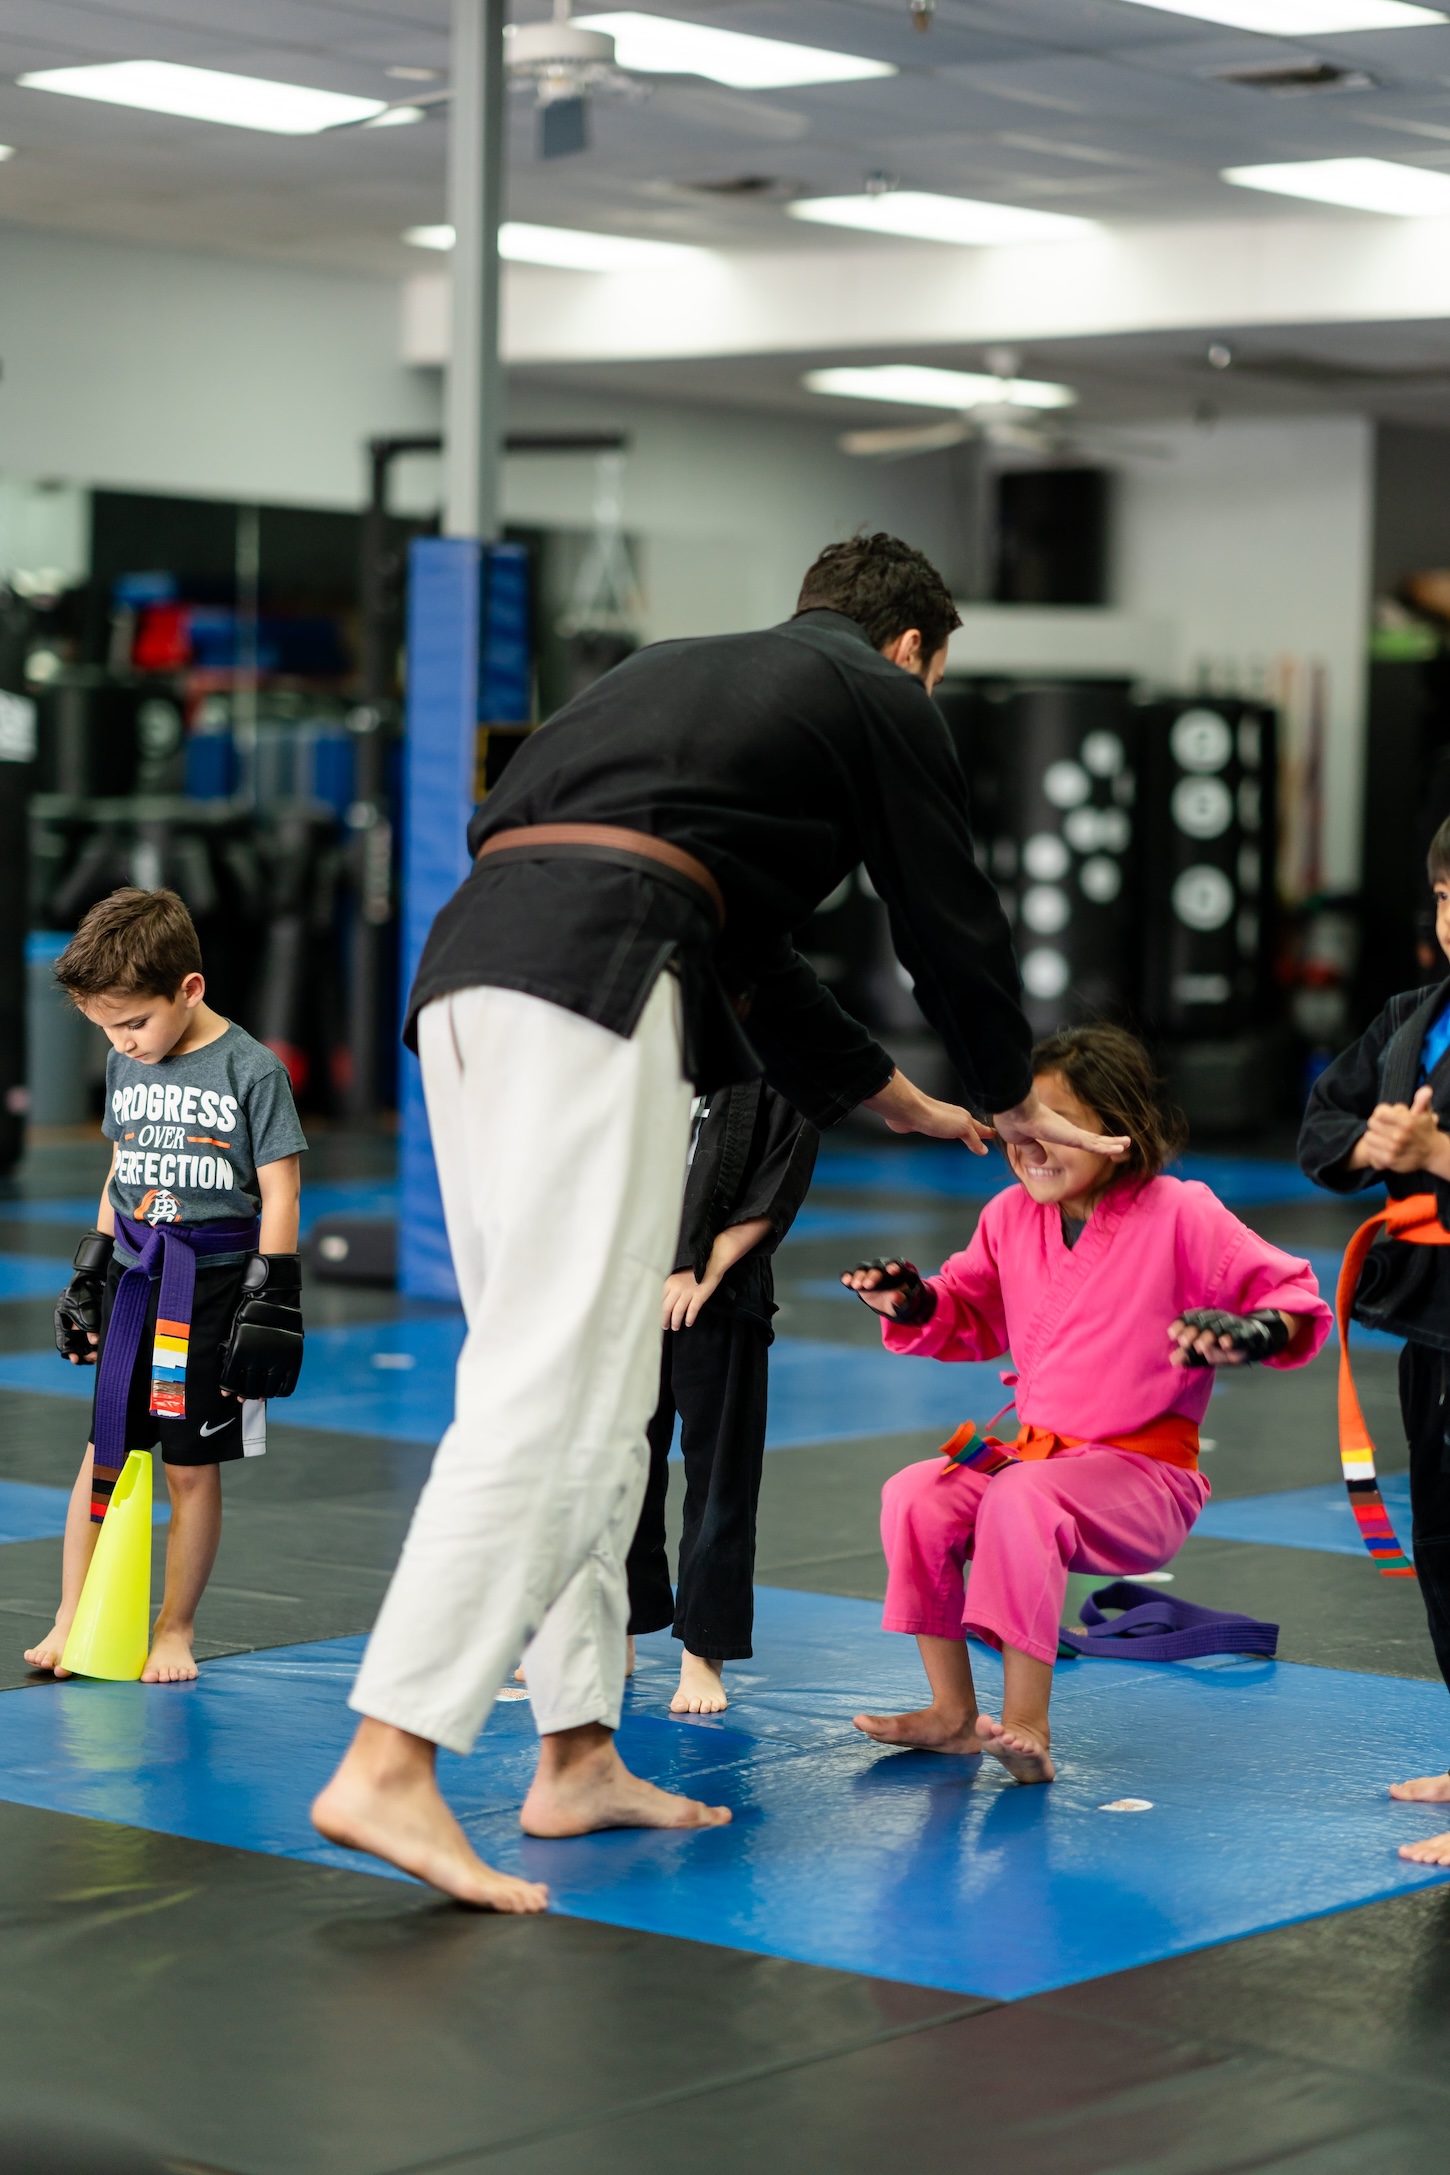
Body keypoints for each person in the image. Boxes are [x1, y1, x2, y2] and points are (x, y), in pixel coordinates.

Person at [312, 532, 1134, 1913]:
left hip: (468, 977)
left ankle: (576, 1749)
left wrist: (901, 1102)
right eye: (931, 674)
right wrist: (1013, 1096)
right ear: (912, 648)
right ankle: (391, 1754)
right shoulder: (880, 694)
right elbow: (948, 917)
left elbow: (753, 959)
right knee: (553, 1389)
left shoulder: (681, 680)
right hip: (598, 977)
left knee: (594, 1386)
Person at [844, 1024, 1329, 1783]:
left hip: (1145, 1479)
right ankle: (952, 1714)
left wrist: (1254, 1330)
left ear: (1117, 1131)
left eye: (1053, 1125)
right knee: (916, 1495)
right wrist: (911, 1301)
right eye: (1018, 1127)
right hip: (1039, 1461)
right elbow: (967, 1310)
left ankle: (1027, 1724)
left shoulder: (1182, 1212)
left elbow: (1291, 1296)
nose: (1031, 1147)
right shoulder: (1008, 1216)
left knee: (1020, 1497)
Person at [24, 888, 306, 1686]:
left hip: (212, 1289)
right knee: (103, 1453)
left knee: (190, 1464)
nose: (121, 1041)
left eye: (134, 1022)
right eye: (106, 1028)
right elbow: (121, 1169)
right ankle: (70, 1613)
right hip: (134, 1277)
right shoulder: (128, 1059)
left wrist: (272, 1295)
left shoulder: (253, 1069)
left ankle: (175, 1626)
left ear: (189, 988)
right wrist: (90, 1268)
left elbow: (281, 1189)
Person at [1299, 816, 1450, 1866]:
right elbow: (1324, 1127)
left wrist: (1437, 1149)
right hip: (1428, 1317)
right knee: (1441, 1544)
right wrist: (1374, 1143)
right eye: (1447, 895)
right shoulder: (1411, 1018)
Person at [627, 1081, 818, 1714]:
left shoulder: (779, 1061)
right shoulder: (641, 1044)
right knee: (615, 1465)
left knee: (719, 1477)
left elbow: (778, 1184)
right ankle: (612, 1626)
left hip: (724, 1291)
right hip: (623, 1285)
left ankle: (701, 1653)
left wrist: (703, 1270)